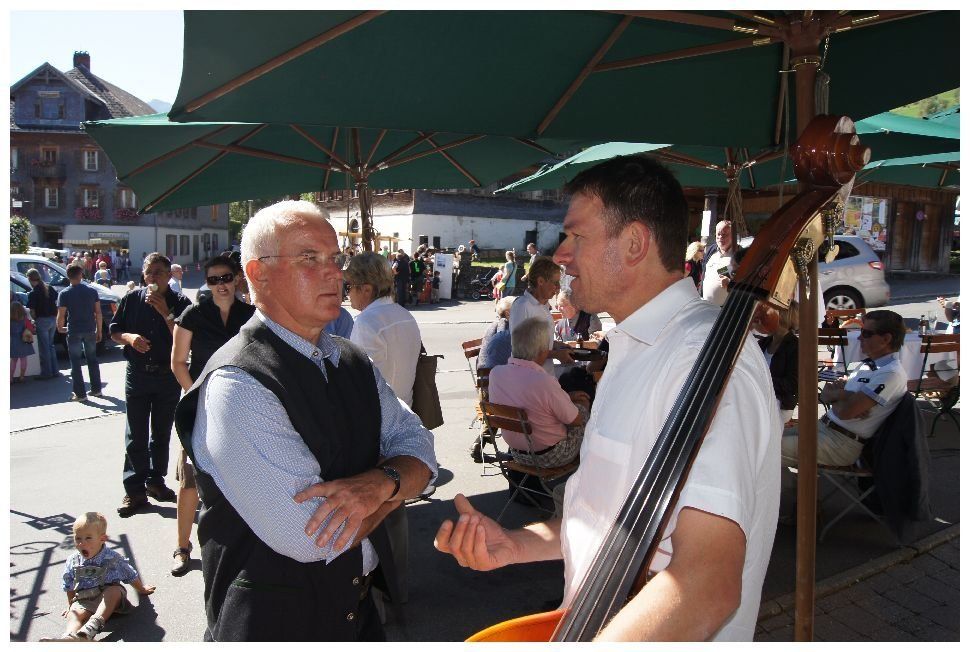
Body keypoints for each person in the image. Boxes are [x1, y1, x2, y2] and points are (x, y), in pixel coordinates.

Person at [434, 154, 779, 641]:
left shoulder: (703, 358)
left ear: (634, 243)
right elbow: (613, 523)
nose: (561, 255)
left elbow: (706, 584)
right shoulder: (635, 346)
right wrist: (515, 543)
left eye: (576, 236)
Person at [173, 200, 436, 641]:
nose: (335, 273)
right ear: (258, 274)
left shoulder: (351, 359)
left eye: (335, 258)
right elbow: (313, 538)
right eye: (309, 259)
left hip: (357, 615)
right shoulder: (238, 383)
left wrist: (381, 484)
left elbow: (421, 447)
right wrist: (396, 490)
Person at [169, 256, 256, 577]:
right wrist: (196, 395)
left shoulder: (251, 315)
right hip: (200, 407)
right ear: (207, 283)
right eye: (214, 279)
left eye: (226, 278)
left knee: (241, 475)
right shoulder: (193, 315)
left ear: (236, 279)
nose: (221, 285)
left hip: (241, 407)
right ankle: (182, 547)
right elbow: (178, 363)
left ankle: (241, 545)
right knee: (191, 478)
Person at [110, 253, 192, 517]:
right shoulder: (132, 299)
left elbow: (187, 338)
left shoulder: (180, 302)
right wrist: (130, 338)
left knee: (161, 431)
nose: (153, 277)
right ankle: (134, 490)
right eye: (148, 272)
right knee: (136, 433)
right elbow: (115, 331)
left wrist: (165, 312)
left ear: (169, 275)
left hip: (167, 375)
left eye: (158, 272)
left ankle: (156, 481)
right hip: (138, 374)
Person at [781, 309, 909, 467]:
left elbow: (845, 412)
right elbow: (825, 394)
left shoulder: (890, 373)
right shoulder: (868, 365)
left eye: (866, 333)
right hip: (823, 428)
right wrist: (846, 396)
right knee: (764, 439)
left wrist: (839, 395)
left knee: (766, 449)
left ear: (886, 339)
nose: (859, 337)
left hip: (839, 442)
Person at [489, 317, 590, 468]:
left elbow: (528, 400)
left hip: (517, 453)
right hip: (550, 456)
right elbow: (575, 420)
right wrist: (577, 403)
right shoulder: (543, 381)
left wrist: (567, 397)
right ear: (542, 350)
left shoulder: (496, 374)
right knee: (583, 406)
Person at [40, 512, 156, 642]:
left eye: (88, 538)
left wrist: (141, 589)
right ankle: (69, 638)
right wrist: (70, 605)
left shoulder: (112, 558)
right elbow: (69, 584)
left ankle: (91, 627)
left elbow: (129, 574)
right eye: (78, 538)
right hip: (85, 599)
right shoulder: (73, 560)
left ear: (102, 539)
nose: (81, 543)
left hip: (111, 601)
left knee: (114, 591)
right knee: (74, 614)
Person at [345, 252, 422, 407]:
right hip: (405, 410)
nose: (348, 294)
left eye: (349, 286)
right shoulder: (405, 315)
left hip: (377, 415)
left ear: (366, 289)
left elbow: (360, 382)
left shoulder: (366, 322)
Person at [509, 256, 572, 376]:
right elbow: (522, 352)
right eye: (555, 282)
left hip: (544, 376)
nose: (558, 287)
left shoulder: (543, 305)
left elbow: (536, 341)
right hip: (528, 378)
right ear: (541, 281)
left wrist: (556, 345)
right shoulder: (523, 306)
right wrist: (556, 354)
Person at [56, 264, 103, 401]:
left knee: (75, 362)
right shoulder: (92, 291)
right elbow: (98, 313)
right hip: (90, 329)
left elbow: (61, 314)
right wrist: (99, 330)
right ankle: (97, 389)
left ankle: (80, 394)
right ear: (81, 275)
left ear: (68, 276)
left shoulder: (64, 293)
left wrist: (60, 327)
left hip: (74, 330)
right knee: (92, 359)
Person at [753, 302, 799, 426]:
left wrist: (762, 381)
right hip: (760, 398)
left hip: (780, 403)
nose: (762, 317)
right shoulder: (764, 342)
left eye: (766, 314)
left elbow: (792, 385)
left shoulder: (795, 346)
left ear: (780, 317)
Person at [25, 268, 60, 380]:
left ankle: (47, 372)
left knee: (44, 348)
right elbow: (56, 300)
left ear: (30, 279)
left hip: (42, 320)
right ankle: (55, 370)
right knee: (51, 345)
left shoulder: (33, 293)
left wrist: (34, 320)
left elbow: (32, 311)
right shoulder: (49, 287)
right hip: (53, 318)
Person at [700, 219, 736, 307]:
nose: (720, 237)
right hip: (705, 306)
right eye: (718, 234)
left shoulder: (739, 255)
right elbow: (704, 275)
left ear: (733, 236)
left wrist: (730, 283)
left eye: (724, 234)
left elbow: (746, 284)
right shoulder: (710, 251)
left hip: (726, 310)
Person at [10, 302, 35, 384]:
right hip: (24, 341)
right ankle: (22, 377)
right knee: (23, 359)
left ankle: (10, 378)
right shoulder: (25, 319)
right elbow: (31, 329)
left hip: (13, 342)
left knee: (13, 361)